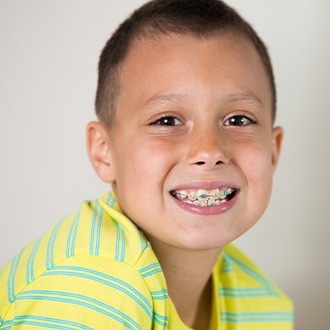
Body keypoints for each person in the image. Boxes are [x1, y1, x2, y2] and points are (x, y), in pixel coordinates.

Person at [0, 0, 294, 329]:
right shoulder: (94, 291)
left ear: (272, 151)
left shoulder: (263, 303)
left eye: (238, 119)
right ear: (104, 151)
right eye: (167, 120)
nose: (209, 150)